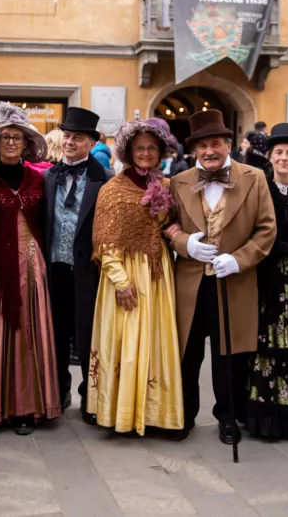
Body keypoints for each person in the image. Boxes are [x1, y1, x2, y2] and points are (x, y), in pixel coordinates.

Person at [167, 109, 277, 444]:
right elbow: (163, 227)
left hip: (234, 281)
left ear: (228, 144)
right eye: (202, 146)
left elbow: (266, 229)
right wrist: (185, 243)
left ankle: (227, 417)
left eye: (216, 143)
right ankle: (183, 415)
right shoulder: (177, 181)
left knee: (229, 355)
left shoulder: (254, 177)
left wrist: (240, 259)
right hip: (190, 283)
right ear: (194, 151)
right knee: (188, 353)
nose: (209, 151)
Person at [0, 103, 61, 434]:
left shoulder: (39, 178)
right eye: (5, 137)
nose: (10, 143)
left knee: (31, 334)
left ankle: (27, 408)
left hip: (33, 266)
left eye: (17, 138)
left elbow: (49, 222)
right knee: (1, 332)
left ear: (25, 144)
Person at [87, 118, 184, 435]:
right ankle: (123, 413)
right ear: (129, 151)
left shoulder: (166, 186)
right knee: (127, 342)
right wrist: (120, 281)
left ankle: (155, 412)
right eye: (140, 148)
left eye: (151, 148)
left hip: (157, 275)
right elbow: (104, 241)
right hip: (125, 276)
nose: (145, 153)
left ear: (160, 153)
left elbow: (170, 226)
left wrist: (174, 230)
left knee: (155, 341)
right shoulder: (112, 190)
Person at [246, 123, 288, 440]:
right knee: (269, 346)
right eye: (279, 153)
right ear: (270, 157)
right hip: (270, 281)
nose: (285, 158)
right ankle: (268, 417)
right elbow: (254, 236)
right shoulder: (260, 192)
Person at [43, 107, 112, 423]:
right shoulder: (48, 176)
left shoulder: (106, 180)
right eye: (67, 135)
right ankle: (58, 394)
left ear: (90, 142)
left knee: (87, 337)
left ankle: (90, 397)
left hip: (88, 272)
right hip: (54, 269)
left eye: (78, 137)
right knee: (55, 336)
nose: (70, 142)